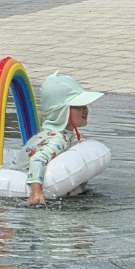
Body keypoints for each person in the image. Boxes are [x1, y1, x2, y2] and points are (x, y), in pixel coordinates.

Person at [25, 72, 103, 206]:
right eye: (79, 106)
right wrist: (36, 191)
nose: (85, 110)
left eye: (85, 105)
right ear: (62, 111)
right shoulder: (58, 139)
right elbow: (37, 160)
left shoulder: (63, 133)